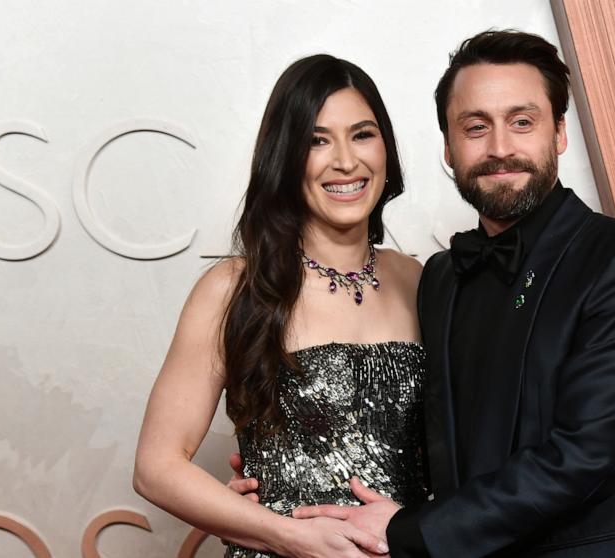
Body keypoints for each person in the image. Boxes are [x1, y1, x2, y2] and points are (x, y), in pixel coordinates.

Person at [281, 30, 615, 557]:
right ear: (448, 146)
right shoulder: (441, 278)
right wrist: (283, 469)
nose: (499, 148)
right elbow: (411, 430)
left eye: (522, 122)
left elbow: (585, 452)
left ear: (559, 132)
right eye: (475, 127)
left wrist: (410, 534)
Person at [133, 54, 428, 558]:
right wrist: (285, 535)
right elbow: (155, 467)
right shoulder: (232, 289)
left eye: (362, 134)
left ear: (386, 149)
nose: (345, 161)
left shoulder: (419, 279)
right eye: (317, 140)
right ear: (286, 156)